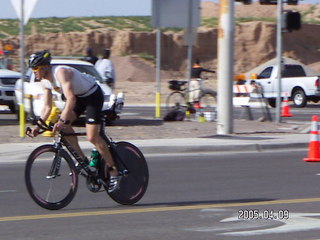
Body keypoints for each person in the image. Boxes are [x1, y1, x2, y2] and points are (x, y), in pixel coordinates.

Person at [28, 50, 121, 193]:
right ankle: (83, 160)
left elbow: (70, 99)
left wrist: (62, 120)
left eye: (35, 68)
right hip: (78, 98)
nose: (33, 72)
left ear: (45, 67)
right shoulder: (44, 82)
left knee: (92, 137)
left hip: (92, 96)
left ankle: (114, 173)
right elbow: (47, 107)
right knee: (64, 128)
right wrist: (38, 127)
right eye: (32, 69)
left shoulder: (60, 73)